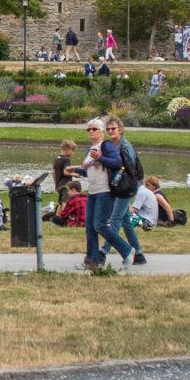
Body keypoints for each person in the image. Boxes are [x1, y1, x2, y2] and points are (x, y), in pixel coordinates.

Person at [81, 118, 133, 271]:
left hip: (105, 191)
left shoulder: (106, 145)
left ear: (102, 131)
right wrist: (74, 170)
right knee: (90, 227)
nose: (91, 131)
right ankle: (92, 260)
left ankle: (127, 250)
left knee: (100, 225)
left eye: (94, 129)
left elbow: (117, 162)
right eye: (89, 129)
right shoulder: (90, 149)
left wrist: (100, 158)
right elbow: (89, 170)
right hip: (92, 192)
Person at [105, 116, 146, 265]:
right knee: (125, 220)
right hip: (119, 187)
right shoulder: (112, 145)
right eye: (108, 129)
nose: (110, 131)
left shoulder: (125, 146)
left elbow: (131, 170)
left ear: (120, 130)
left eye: (113, 128)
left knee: (115, 219)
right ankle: (139, 254)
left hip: (126, 187)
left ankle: (103, 252)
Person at [52, 139, 81, 204]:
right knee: (66, 202)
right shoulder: (66, 159)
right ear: (68, 149)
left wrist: (56, 185)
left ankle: (59, 214)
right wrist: (75, 175)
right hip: (66, 185)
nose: (73, 153)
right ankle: (65, 214)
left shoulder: (57, 158)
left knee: (60, 202)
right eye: (72, 151)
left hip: (59, 184)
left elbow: (53, 172)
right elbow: (65, 172)